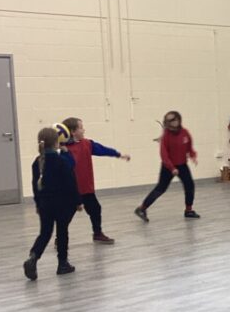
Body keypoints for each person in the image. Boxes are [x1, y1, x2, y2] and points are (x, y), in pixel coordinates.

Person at [61, 117, 130, 245]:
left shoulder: (87, 144)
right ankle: (60, 237)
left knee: (95, 209)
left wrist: (118, 154)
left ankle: (97, 234)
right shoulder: (63, 150)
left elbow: (102, 149)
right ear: (73, 131)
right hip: (71, 190)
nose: (84, 130)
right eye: (81, 128)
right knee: (67, 215)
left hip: (86, 188)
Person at [24, 126, 80, 280]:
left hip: (45, 204)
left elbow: (35, 186)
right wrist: (78, 201)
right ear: (57, 143)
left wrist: (37, 203)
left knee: (45, 233)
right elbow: (71, 182)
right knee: (62, 232)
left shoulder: (37, 162)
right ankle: (62, 264)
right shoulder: (61, 160)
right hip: (62, 204)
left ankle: (33, 257)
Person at [134, 110, 199, 222]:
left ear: (178, 119)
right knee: (160, 189)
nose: (172, 122)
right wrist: (172, 168)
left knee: (190, 186)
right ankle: (141, 209)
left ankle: (188, 210)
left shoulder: (185, 133)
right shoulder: (166, 136)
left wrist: (192, 155)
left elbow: (189, 147)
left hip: (182, 165)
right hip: (168, 167)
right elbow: (164, 155)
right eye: (169, 121)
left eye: (174, 119)